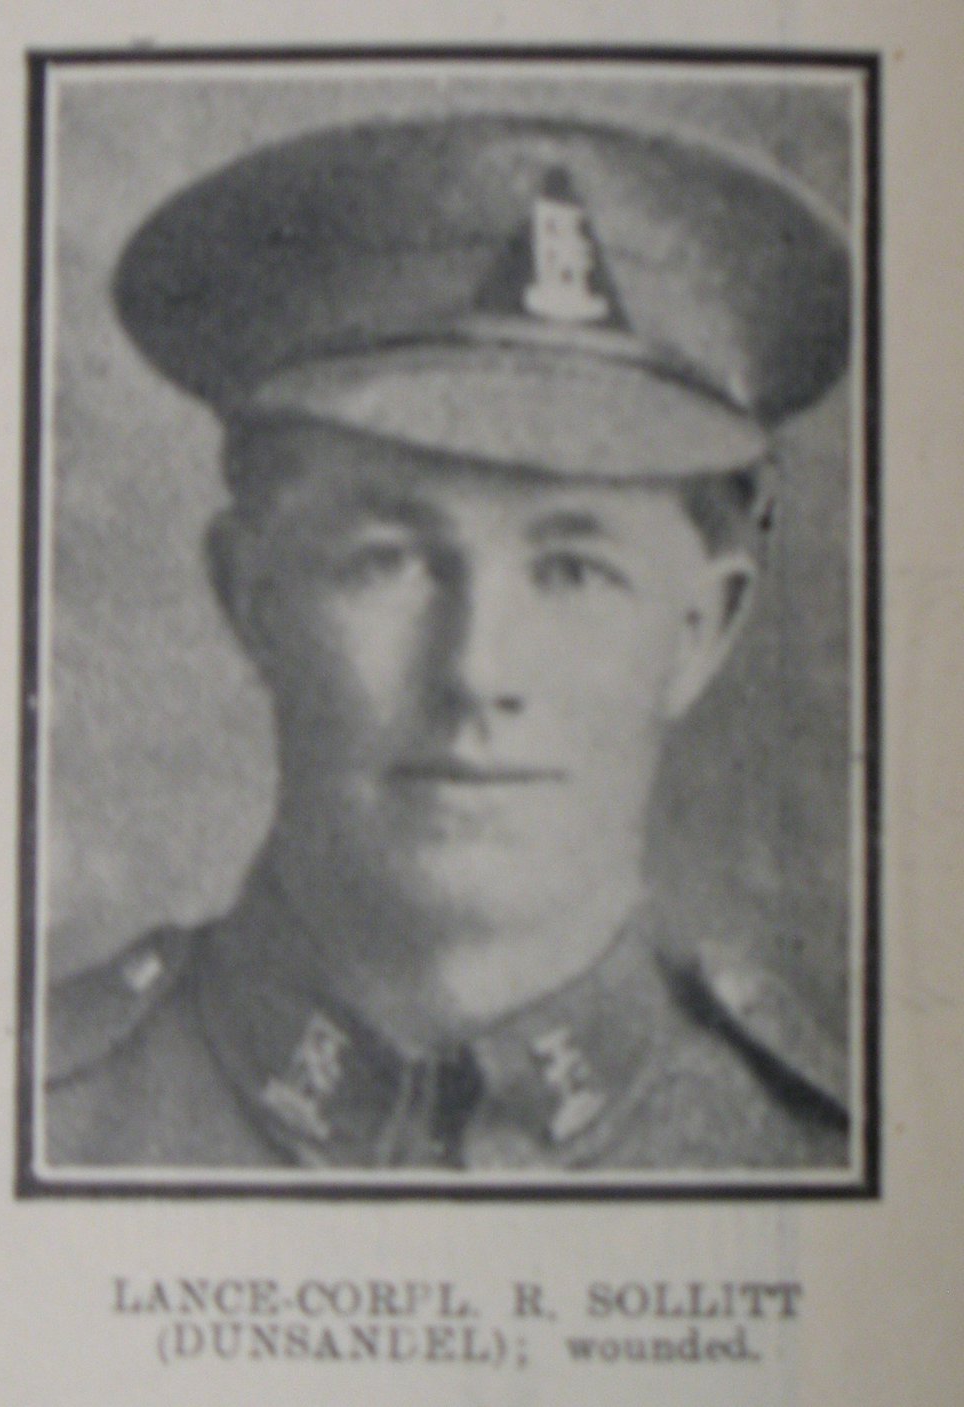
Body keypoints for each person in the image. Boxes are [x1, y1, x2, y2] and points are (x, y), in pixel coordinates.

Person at [45, 114, 851, 1173]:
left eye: (573, 570)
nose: (478, 672)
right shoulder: (36, 1122)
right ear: (251, 599)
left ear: (701, 632)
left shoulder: (815, 1153)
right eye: (389, 561)